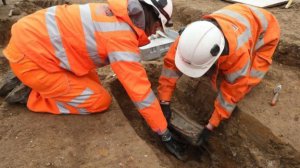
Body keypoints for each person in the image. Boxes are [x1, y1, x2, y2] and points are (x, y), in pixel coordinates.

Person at [2, 0, 186, 159]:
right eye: (158, 26)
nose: (156, 32)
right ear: (150, 17)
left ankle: (36, 80)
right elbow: (140, 92)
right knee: (99, 100)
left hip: (36, 45)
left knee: (94, 84)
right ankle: (33, 96)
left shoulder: (118, 13)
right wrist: (164, 132)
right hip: (31, 59)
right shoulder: (121, 36)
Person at [158, 3, 280, 144]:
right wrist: (164, 101)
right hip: (237, 14)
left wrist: (211, 125)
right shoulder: (190, 37)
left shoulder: (237, 55)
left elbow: (233, 91)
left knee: (249, 80)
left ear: (218, 55)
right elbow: (170, 67)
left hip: (266, 29)